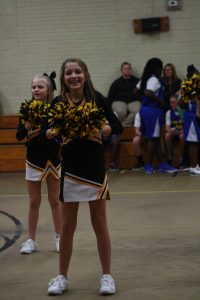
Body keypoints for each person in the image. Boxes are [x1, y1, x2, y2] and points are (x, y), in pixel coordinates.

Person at [47, 58, 122, 296]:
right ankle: (62, 277)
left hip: (94, 170)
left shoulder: (97, 99)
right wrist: (54, 131)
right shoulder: (58, 102)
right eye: (68, 72)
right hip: (69, 170)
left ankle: (107, 276)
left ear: (85, 75)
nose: (73, 76)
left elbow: (116, 126)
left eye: (77, 71)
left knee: (99, 224)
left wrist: (104, 128)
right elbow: (47, 131)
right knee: (68, 226)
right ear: (63, 78)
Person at [16, 73, 61, 254]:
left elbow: (57, 133)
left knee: (55, 201)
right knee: (34, 202)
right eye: (34, 87)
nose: (36, 89)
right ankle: (31, 240)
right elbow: (19, 135)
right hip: (33, 160)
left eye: (40, 87)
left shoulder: (55, 109)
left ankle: (59, 238)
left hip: (52, 160)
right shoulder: (26, 109)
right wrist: (26, 125)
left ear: (48, 90)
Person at [133, 57, 177, 174]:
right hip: (153, 111)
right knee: (153, 139)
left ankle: (162, 164)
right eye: (161, 68)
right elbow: (148, 92)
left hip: (145, 110)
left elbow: (135, 92)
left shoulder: (144, 79)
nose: (161, 71)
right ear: (157, 68)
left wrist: (144, 101)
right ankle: (148, 165)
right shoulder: (154, 80)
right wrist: (160, 101)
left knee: (156, 138)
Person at [108, 61, 140, 126]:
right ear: (121, 70)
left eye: (129, 69)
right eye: (125, 69)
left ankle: (124, 126)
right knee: (120, 112)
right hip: (119, 101)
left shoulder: (137, 81)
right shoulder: (116, 83)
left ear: (131, 70)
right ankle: (117, 126)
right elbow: (110, 95)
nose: (127, 70)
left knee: (137, 111)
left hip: (134, 101)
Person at [165, 94, 184, 166]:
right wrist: (171, 131)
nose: (172, 104)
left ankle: (183, 158)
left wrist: (180, 131)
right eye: (170, 102)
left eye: (174, 102)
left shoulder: (183, 111)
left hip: (182, 132)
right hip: (175, 132)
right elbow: (167, 127)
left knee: (182, 136)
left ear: (178, 102)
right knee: (167, 135)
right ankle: (169, 158)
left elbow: (187, 127)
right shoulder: (168, 113)